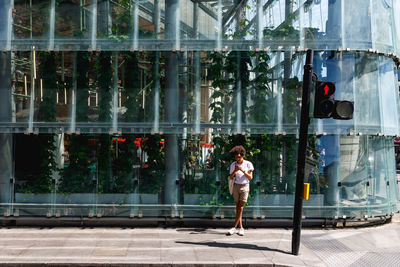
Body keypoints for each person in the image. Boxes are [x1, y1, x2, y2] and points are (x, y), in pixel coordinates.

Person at [227, 145, 254, 236]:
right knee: (238, 207)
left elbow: (250, 177)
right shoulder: (233, 165)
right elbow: (231, 177)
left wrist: (242, 170)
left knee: (241, 207)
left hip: (245, 186)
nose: (237, 158)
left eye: (239, 156)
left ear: (242, 155)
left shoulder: (248, 164)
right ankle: (241, 228)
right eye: (236, 157)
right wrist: (235, 171)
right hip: (236, 186)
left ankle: (234, 227)